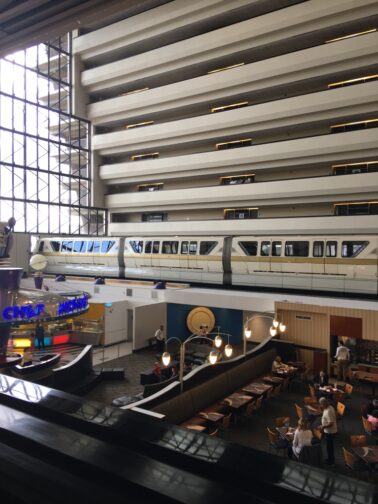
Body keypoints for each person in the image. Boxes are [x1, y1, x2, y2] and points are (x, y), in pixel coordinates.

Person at [319, 397, 337, 465]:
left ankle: (331, 461)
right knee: (329, 447)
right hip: (329, 431)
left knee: (329, 447)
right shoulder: (329, 407)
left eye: (321, 404)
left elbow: (331, 423)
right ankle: (330, 459)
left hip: (330, 432)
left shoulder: (329, 411)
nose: (320, 406)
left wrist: (323, 426)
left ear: (324, 404)